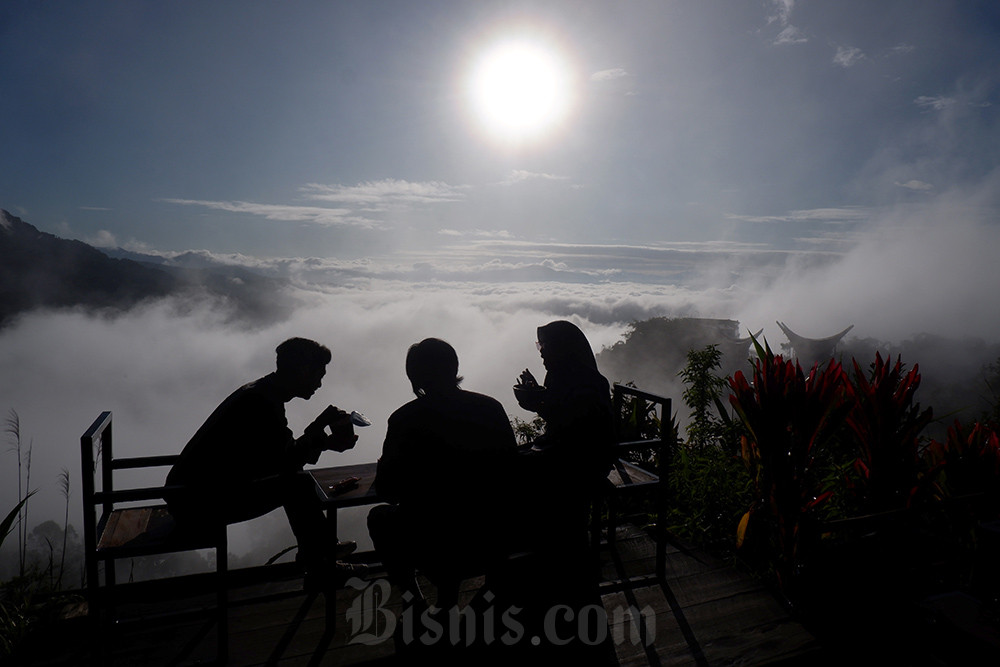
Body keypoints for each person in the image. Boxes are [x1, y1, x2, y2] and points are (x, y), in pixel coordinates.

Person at [165, 337, 364, 584]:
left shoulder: (262, 394)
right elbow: (286, 461)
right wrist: (318, 431)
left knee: (296, 481)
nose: (320, 383)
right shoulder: (262, 403)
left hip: (191, 494)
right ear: (302, 371)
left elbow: (280, 457)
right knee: (298, 485)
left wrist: (321, 441)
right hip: (197, 502)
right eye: (318, 375)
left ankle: (318, 557)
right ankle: (321, 559)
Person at [368, 338, 518, 610]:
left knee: (379, 518)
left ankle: (414, 601)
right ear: (454, 367)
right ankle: (486, 596)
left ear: (414, 376)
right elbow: (512, 472)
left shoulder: (404, 419)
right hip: (492, 536)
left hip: (432, 543)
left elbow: (388, 491)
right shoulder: (490, 408)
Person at [512, 320, 616, 598]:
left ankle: (543, 549)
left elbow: (575, 429)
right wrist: (540, 397)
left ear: (562, 348)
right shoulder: (564, 375)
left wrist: (537, 402)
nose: (541, 352)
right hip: (574, 453)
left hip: (584, 462)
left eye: (544, 346)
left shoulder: (584, 380)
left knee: (514, 469)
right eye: (539, 345)